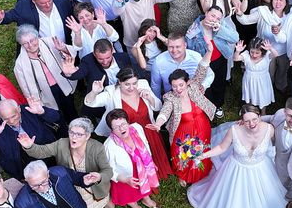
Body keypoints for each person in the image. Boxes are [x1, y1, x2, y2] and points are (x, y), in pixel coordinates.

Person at [188, 105, 288, 208]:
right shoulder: (234, 130)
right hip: (236, 170)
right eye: (247, 121)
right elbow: (222, 148)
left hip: (261, 170)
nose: (252, 124)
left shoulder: (269, 129)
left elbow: (277, 145)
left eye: (254, 119)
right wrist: (203, 155)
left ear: (260, 116)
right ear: (241, 121)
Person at [17, 118, 117, 208]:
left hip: (94, 187)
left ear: (87, 136)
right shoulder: (61, 144)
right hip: (73, 187)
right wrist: (30, 146)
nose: (73, 137)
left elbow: (107, 171)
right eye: (71, 132)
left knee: (103, 200)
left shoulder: (97, 148)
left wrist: (99, 177)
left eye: (79, 134)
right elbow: (42, 151)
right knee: (79, 207)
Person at [83, 67, 172, 181]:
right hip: (128, 135)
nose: (132, 87)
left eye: (134, 83)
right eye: (127, 84)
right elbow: (90, 103)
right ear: (120, 82)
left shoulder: (143, 85)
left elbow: (158, 106)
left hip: (149, 130)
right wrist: (94, 92)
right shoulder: (111, 93)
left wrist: (149, 97)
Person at [151, 41, 214, 186]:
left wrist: (209, 51)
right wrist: (158, 123)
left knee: (201, 150)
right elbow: (165, 111)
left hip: (202, 127)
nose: (178, 89)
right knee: (182, 154)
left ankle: (200, 170)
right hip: (183, 132)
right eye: (174, 86)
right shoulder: (170, 97)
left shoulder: (193, 87)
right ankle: (182, 174)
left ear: (187, 83)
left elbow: (202, 68)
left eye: (181, 85)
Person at [0, 98, 59, 180]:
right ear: (0, 116)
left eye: (14, 116)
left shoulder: (30, 110)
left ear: (19, 109)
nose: (12, 121)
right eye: (6, 119)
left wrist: (42, 112)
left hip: (46, 155)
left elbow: (57, 117)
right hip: (20, 166)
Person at [104, 109, 160, 208]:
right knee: (130, 194)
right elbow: (108, 170)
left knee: (143, 185)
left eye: (123, 124)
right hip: (125, 177)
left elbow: (145, 144)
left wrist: (150, 161)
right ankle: (136, 207)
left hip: (142, 169)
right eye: (116, 127)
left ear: (128, 122)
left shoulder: (137, 128)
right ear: (111, 130)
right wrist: (124, 179)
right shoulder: (109, 146)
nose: (122, 128)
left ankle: (146, 199)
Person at [13, 25, 78, 120]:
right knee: (54, 113)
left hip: (62, 82)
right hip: (44, 92)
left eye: (32, 40)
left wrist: (63, 48)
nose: (30, 45)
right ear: (21, 44)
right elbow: (25, 87)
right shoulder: (20, 64)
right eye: (25, 43)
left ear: (37, 37)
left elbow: (72, 53)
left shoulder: (50, 42)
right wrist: (34, 101)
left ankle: (74, 121)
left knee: (69, 106)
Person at [186, 6, 240, 118]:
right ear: (206, 13)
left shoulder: (221, 25)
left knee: (219, 83)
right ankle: (209, 107)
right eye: (212, 15)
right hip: (205, 63)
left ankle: (218, 105)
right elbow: (190, 51)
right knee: (207, 85)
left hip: (220, 59)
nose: (214, 19)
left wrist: (220, 29)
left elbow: (235, 38)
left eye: (218, 18)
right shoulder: (194, 30)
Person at [236, 0, 292, 93]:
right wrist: (240, 13)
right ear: (271, 1)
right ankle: (267, 90)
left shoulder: (289, 17)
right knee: (268, 73)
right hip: (265, 51)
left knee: (282, 72)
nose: (278, 3)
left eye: (281, 0)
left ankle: (280, 87)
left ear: (286, 3)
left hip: (283, 51)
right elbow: (245, 20)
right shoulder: (263, 13)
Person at [0, 0, 73, 44]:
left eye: (50, 1)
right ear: (33, 0)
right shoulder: (23, 7)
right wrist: (1, 19)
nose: (48, 5)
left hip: (66, 47)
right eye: (43, 3)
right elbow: (11, 16)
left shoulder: (64, 2)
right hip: (43, 52)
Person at [114, 0, 178, 49]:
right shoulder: (123, 0)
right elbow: (116, 12)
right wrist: (119, 4)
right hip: (132, 44)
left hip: (150, 41)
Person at [150, 32, 215, 101]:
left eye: (178, 47)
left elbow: (210, 74)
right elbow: (155, 85)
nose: (174, 50)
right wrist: (157, 105)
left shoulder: (196, 57)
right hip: (172, 100)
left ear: (185, 45)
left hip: (194, 98)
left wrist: (203, 85)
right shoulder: (159, 61)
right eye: (171, 47)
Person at [60, 38, 133, 93]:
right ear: (94, 54)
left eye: (108, 57)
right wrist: (69, 73)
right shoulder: (88, 61)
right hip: (102, 95)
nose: (105, 62)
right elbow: (79, 73)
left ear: (112, 51)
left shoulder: (124, 57)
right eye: (100, 59)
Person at [234, 38, 278, 111]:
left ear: (262, 51)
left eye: (257, 53)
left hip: (263, 80)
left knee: (263, 95)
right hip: (249, 79)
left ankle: (263, 112)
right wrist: (237, 51)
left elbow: (276, 55)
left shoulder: (267, 55)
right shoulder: (246, 55)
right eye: (252, 52)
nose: (254, 55)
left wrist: (270, 48)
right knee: (250, 94)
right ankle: (251, 110)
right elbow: (235, 59)